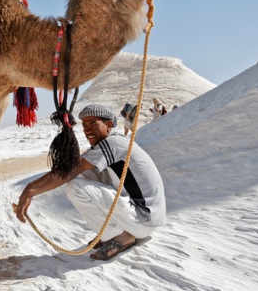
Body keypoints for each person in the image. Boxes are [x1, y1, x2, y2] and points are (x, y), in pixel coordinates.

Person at [15, 104, 166, 261]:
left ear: (108, 125)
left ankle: (120, 237)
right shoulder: (106, 145)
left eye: (93, 123)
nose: (87, 130)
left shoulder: (114, 143)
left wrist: (30, 190)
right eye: (84, 125)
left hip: (144, 221)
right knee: (81, 175)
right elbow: (72, 168)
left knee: (75, 186)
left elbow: (72, 170)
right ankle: (110, 232)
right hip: (139, 219)